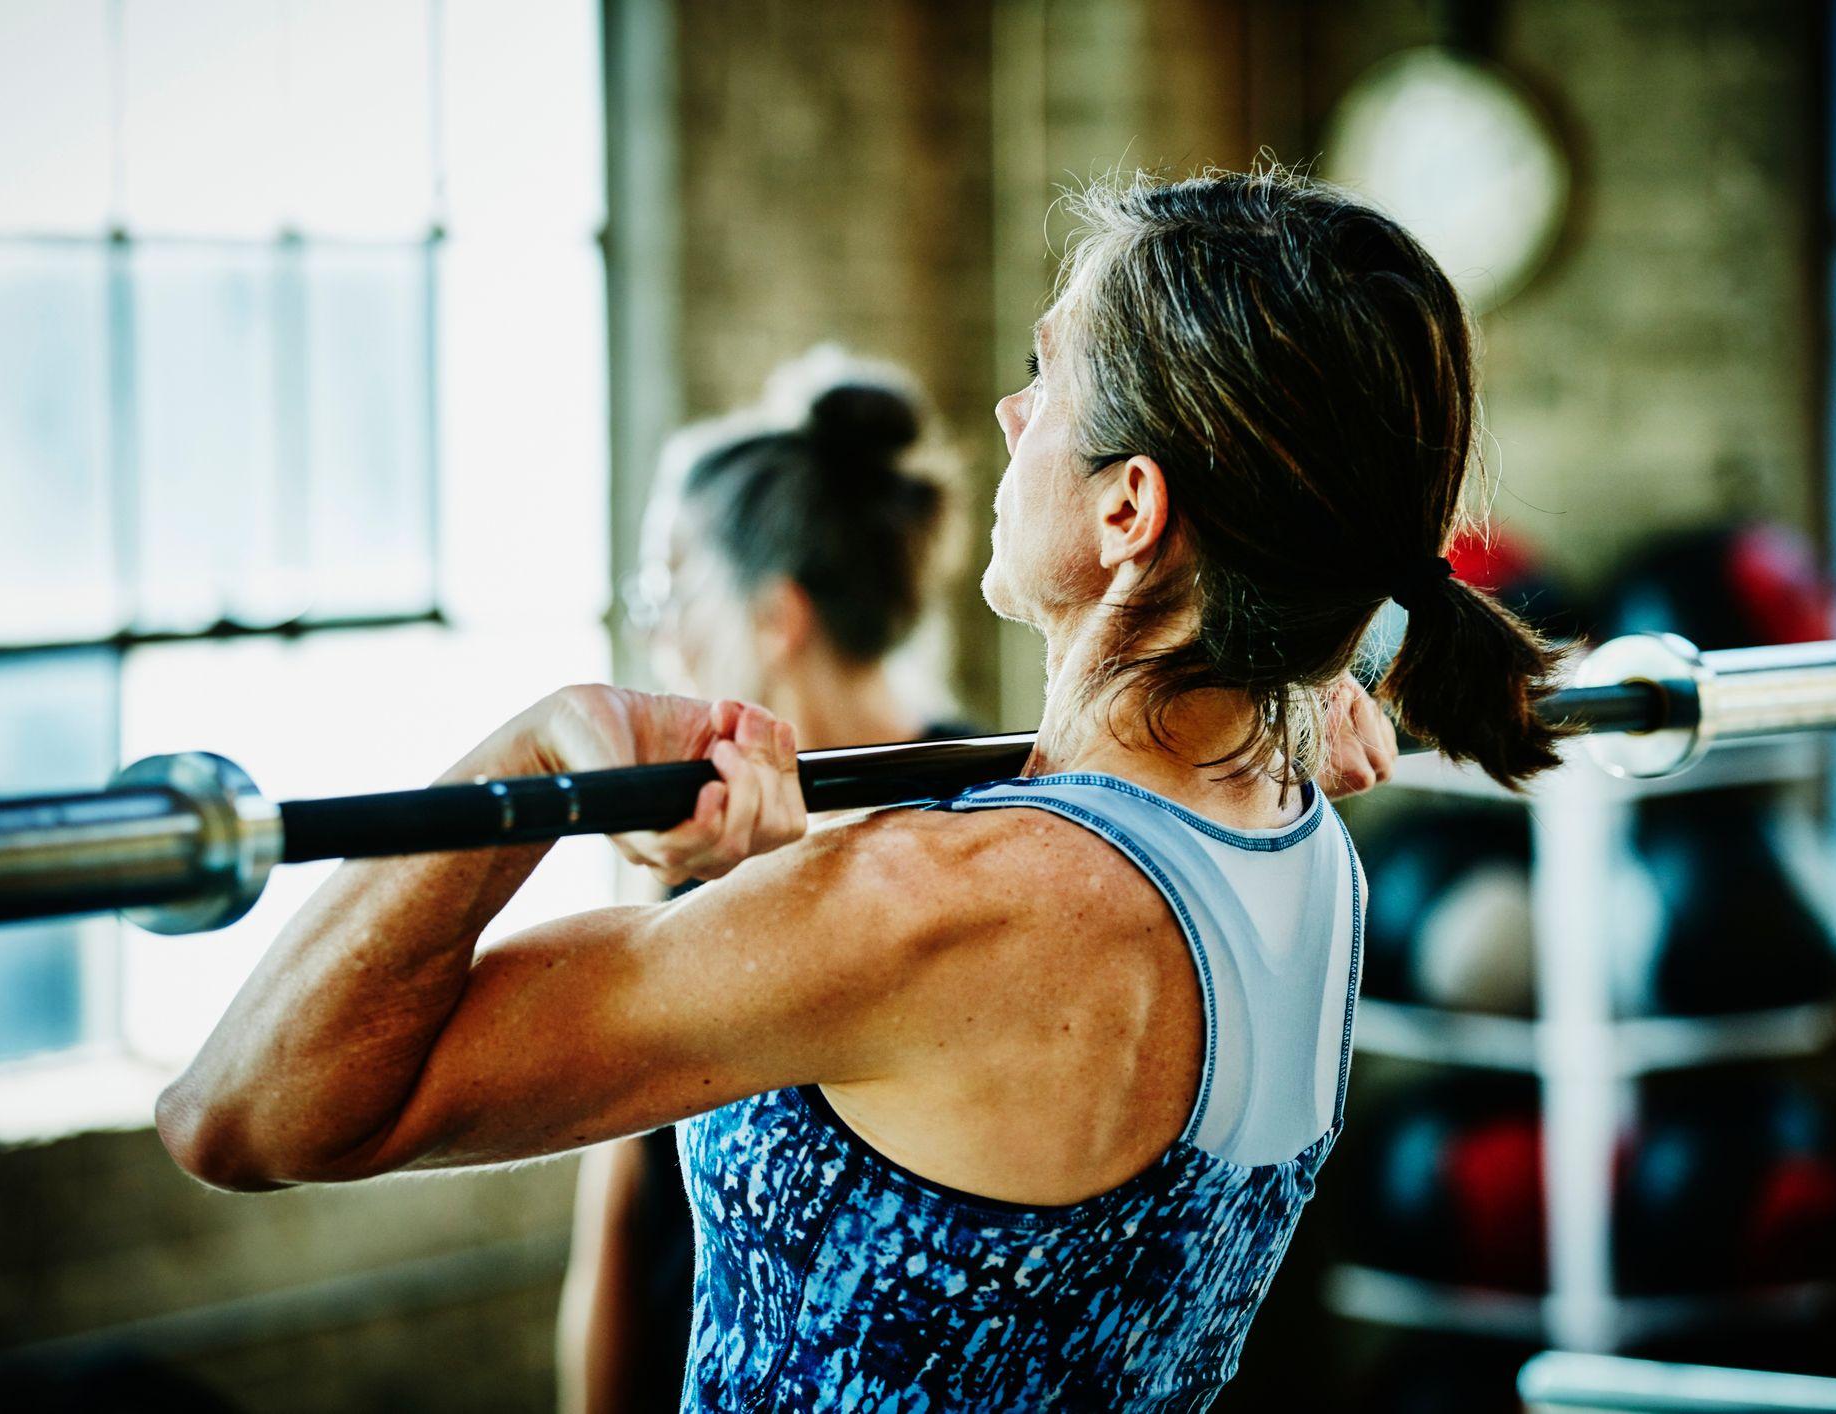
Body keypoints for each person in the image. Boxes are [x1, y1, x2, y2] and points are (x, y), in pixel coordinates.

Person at [154, 166, 1563, 1410]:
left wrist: (537, 743)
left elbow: (248, 1113)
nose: (1013, 412)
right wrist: (1312, 672)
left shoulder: (921, 909)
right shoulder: (1301, 841)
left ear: (1129, 511)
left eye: (1047, 375)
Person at [560, 349, 975, 1413]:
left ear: (776, 614)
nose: (655, 628)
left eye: (671, 583)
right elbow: (618, 1215)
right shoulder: (694, 833)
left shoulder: (994, 825)